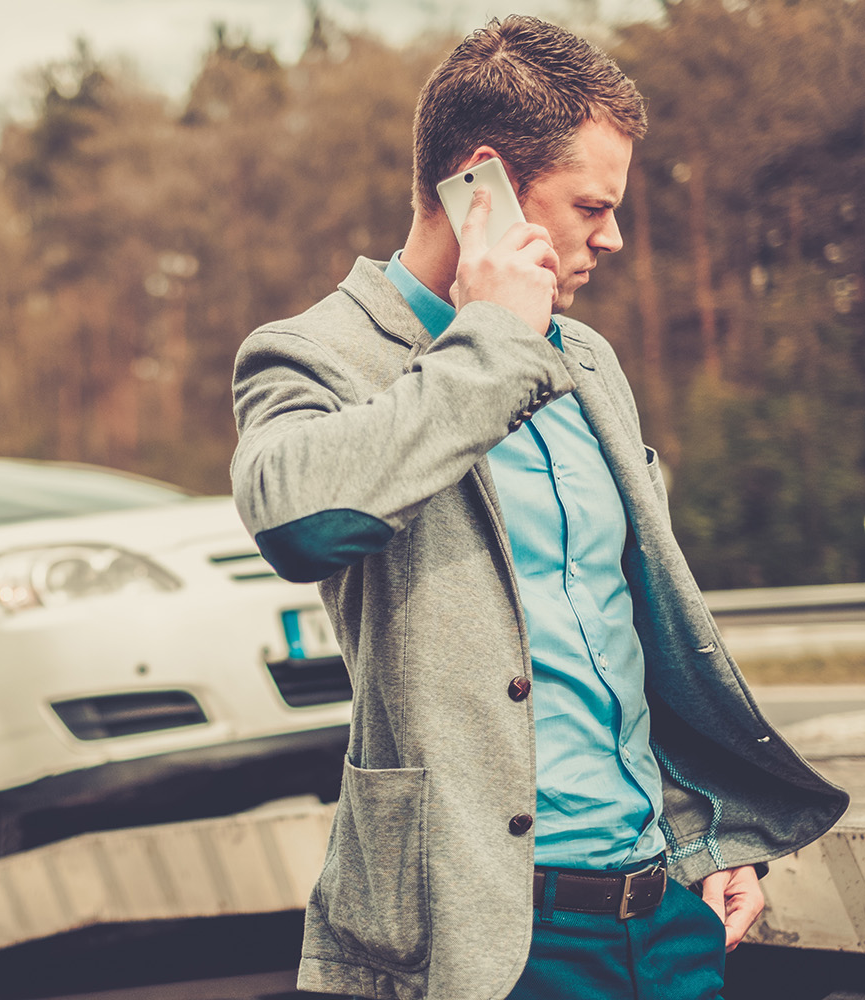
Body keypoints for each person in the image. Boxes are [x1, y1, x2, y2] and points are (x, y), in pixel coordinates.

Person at [229, 15, 848, 1000]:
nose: (612, 236)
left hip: (669, 924)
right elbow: (297, 520)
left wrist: (702, 829)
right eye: (592, 205)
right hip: (484, 944)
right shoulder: (313, 355)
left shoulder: (590, 358)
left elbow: (616, 634)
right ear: (487, 187)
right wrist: (491, 339)